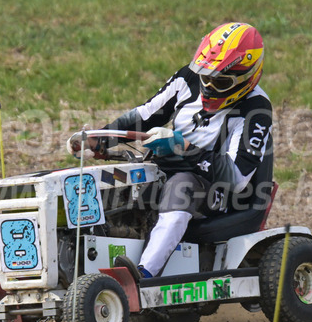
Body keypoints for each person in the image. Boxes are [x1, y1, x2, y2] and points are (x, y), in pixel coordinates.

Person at [77, 22, 273, 281]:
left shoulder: (256, 109)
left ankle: (144, 275)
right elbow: (146, 115)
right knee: (112, 183)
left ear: (247, 78)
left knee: (181, 186)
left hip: (217, 191)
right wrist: (100, 137)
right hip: (165, 170)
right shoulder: (188, 78)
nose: (209, 87)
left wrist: (185, 148)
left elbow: (236, 178)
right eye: (205, 77)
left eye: (220, 81)